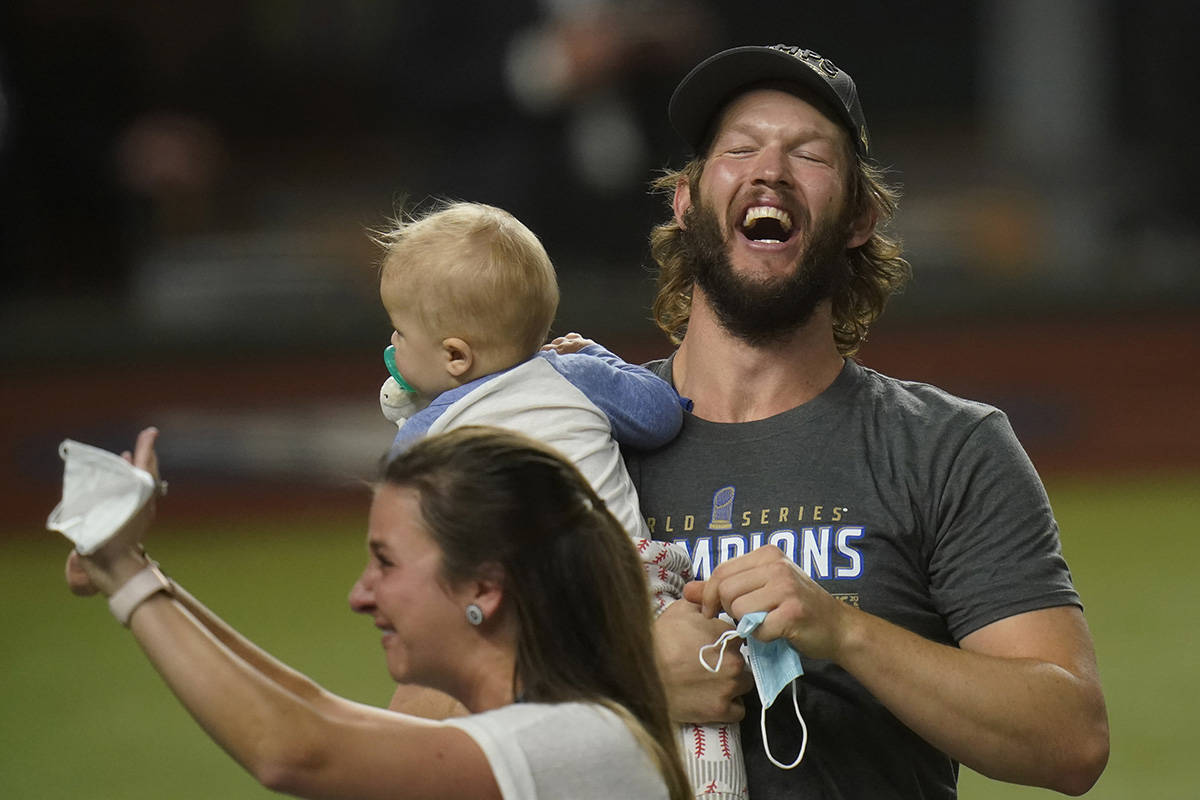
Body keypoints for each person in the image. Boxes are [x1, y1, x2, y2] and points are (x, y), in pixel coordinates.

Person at [621, 44, 1110, 798]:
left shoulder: (946, 446)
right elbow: (448, 707)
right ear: (686, 202)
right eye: (741, 148)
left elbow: (1070, 740)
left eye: (808, 154)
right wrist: (627, 679)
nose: (771, 169)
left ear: (858, 215)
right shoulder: (581, 439)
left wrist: (844, 632)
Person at [61, 425, 691, 799]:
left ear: (484, 589)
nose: (360, 595)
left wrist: (125, 573)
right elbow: (310, 706)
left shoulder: (581, 742)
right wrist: (138, 568)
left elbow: (293, 750)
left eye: (385, 563)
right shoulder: (557, 733)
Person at [373, 200, 749, 798]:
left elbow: (401, 521)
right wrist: (595, 358)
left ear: (453, 356)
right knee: (700, 720)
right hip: (637, 585)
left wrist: (413, 417)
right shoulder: (570, 374)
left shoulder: (429, 437)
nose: (391, 342)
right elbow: (659, 415)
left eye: (397, 330)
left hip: (531, 612)